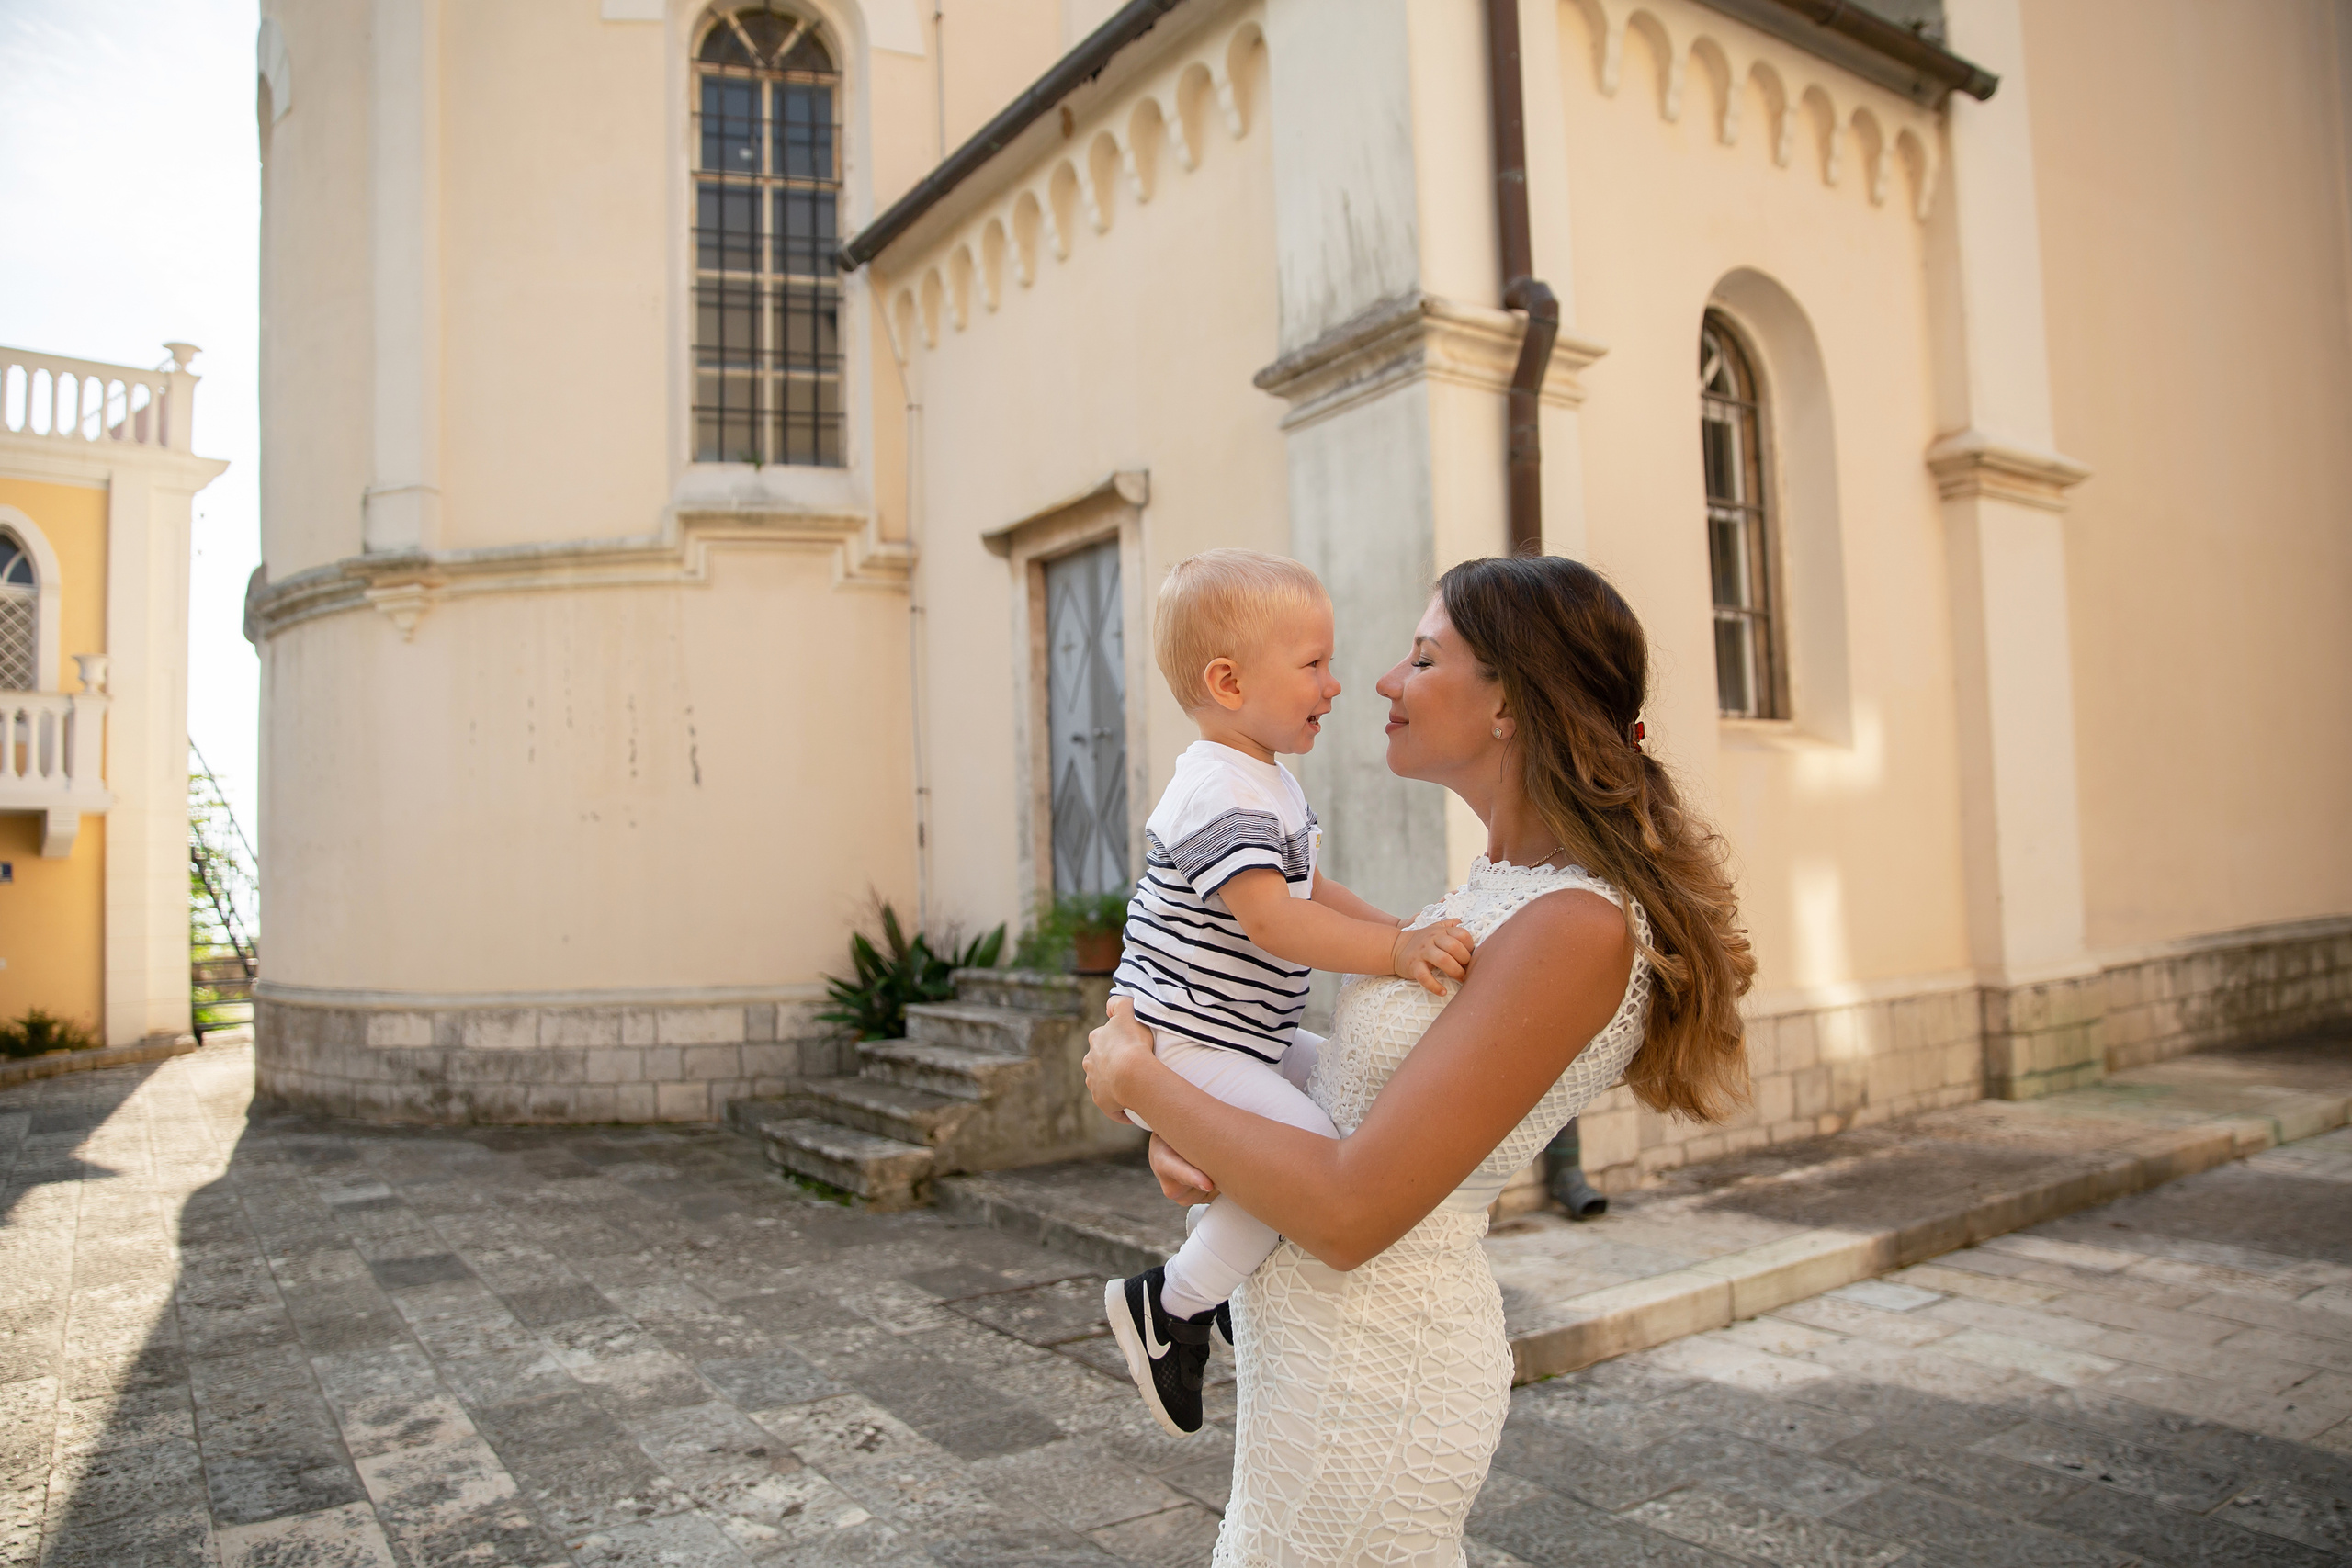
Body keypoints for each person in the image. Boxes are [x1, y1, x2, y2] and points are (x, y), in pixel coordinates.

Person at [1084, 555, 1756, 1567]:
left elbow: (1353, 1209)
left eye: (1422, 656)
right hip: (1314, 1365)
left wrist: (1136, 1078)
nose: (1382, 682)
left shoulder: (1569, 925)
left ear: (1507, 706)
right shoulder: (1486, 891)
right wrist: (1189, 1129)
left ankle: (1171, 1304)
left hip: (1375, 1375)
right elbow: (1357, 1101)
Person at [1101, 549, 1476, 1438]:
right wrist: (1393, 949)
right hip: (1191, 1040)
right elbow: (1273, 924)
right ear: (1227, 681)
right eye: (1312, 664)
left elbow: (1310, 894)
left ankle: (1232, 1268)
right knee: (1307, 1149)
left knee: (1350, 1077)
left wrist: (1405, 929)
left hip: (1245, 1034)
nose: (1337, 684)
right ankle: (1173, 1303)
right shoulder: (1217, 786)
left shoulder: (1263, 777)